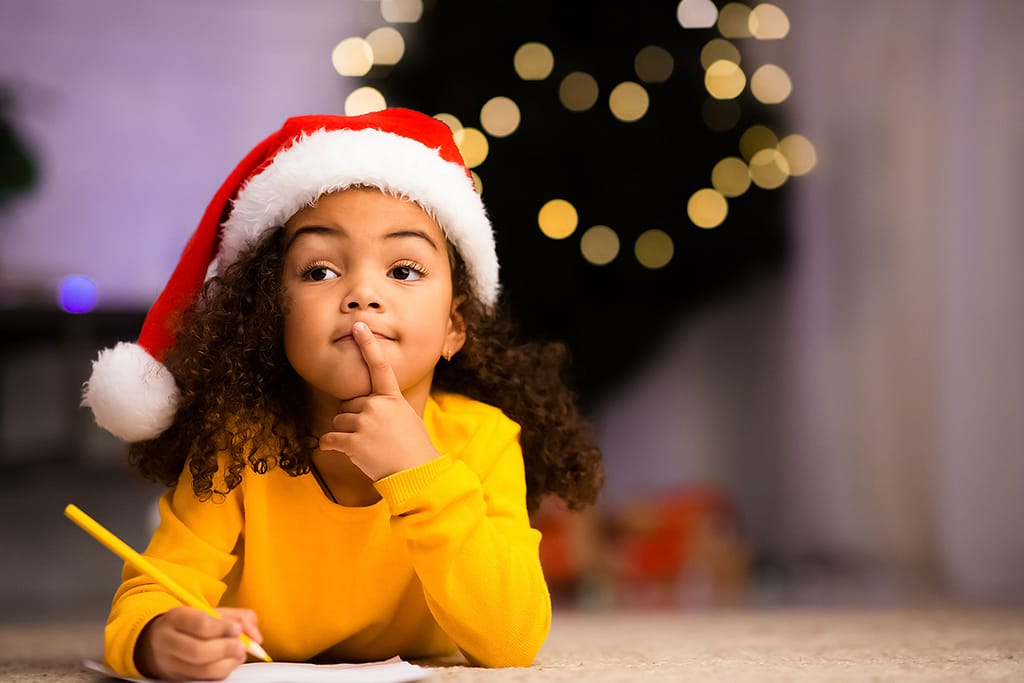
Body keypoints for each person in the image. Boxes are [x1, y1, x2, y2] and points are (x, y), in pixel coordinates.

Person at [83, 108, 604, 681]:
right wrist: (158, 639)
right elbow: (151, 595)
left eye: (403, 270)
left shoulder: (483, 439)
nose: (361, 293)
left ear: (455, 327)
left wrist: (419, 473)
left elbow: (512, 639)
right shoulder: (236, 442)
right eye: (319, 272)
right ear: (271, 316)